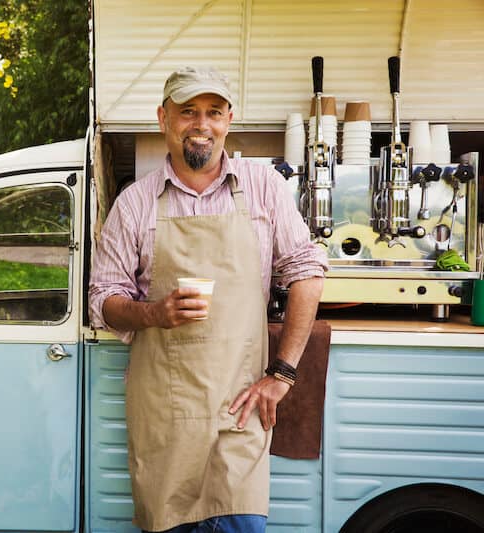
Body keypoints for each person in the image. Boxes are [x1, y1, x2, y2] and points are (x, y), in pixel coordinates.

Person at [88, 66, 328, 533]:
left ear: (229, 119)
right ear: (163, 118)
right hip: (166, 417)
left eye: (213, 112)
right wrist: (152, 312)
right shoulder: (134, 203)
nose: (202, 124)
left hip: (240, 413)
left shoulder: (263, 188)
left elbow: (307, 272)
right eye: (188, 112)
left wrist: (281, 375)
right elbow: (104, 297)